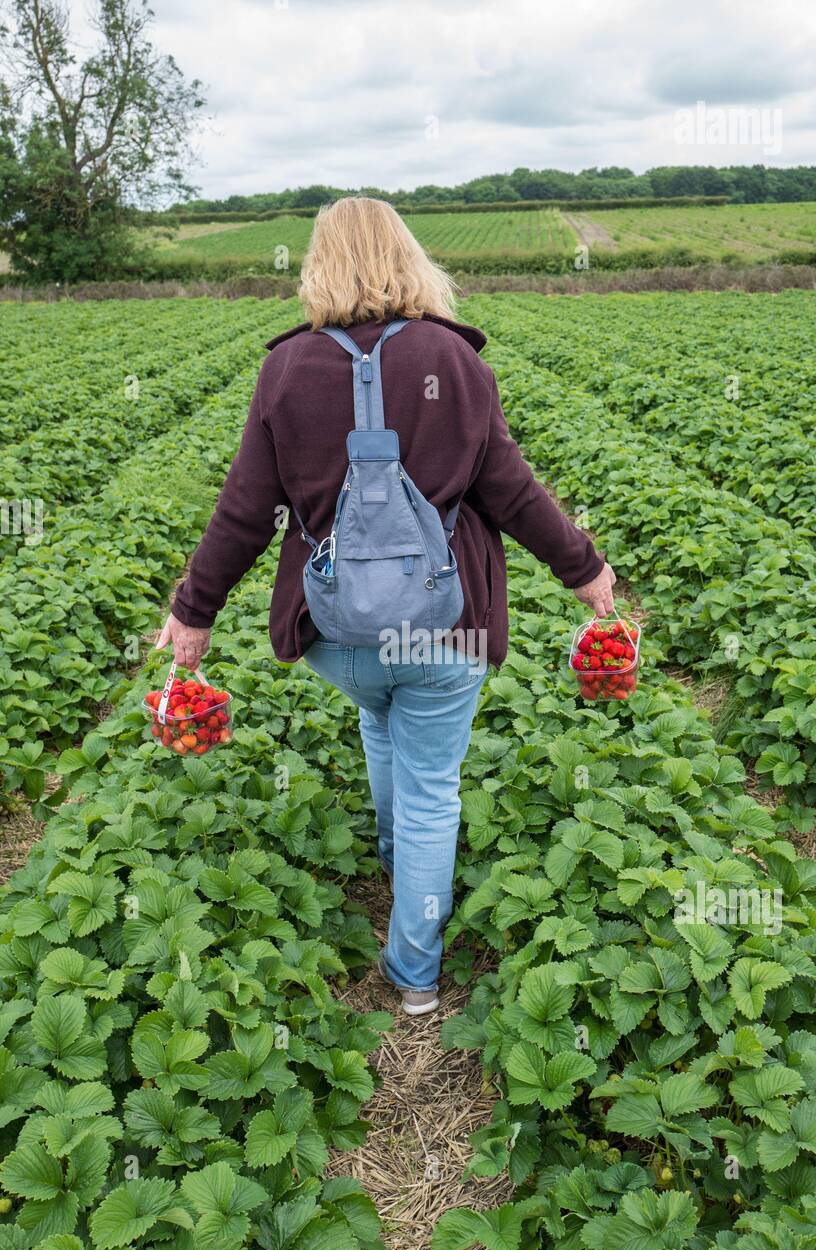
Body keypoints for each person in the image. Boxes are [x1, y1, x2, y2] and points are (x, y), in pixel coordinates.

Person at [158, 196, 615, 1017]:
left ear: (318, 264)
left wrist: (195, 610)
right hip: (444, 623)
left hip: (338, 630)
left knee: (377, 718)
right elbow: (510, 489)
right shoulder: (452, 356)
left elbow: (244, 509)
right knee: (434, 782)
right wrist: (583, 570)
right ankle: (415, 975)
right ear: (409, 257)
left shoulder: (288, 368)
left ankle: (398, 860)